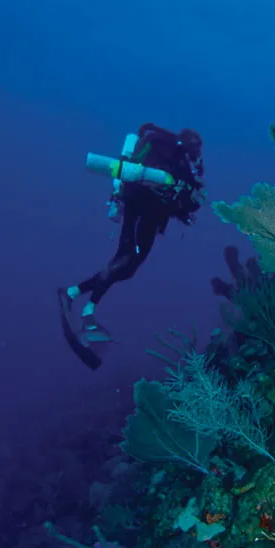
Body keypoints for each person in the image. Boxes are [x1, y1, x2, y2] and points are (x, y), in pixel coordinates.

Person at [58, 123, 205, 368]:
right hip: (142, 211)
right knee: (125, 262)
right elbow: (179, 201)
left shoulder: (170, 157)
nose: (197, 157)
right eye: (196, 152)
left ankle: (73, 293)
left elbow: (178, 202)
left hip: (141, 210)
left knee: (127, 266)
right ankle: (88, 313)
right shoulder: (174, 160)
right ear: (190, 147)